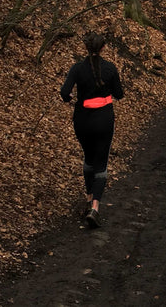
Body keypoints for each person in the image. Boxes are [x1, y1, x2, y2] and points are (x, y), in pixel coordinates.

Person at [60, 32, 124, 228]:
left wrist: (72, 98)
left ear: (86, 49)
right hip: (104, 120)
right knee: (101, 163)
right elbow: (119, 94)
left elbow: (64, 93)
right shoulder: (110, 68)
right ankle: (95, 208)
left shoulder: (77, 69)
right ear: (103, 48)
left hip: (82, 120)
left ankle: (89, 199)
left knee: (88, 159)